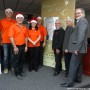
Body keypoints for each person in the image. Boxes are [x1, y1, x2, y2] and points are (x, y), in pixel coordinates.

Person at [60, 8, 89, 87]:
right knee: (78, 64)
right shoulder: (80, 21)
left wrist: (77, 48)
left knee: (72, 66)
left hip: (77, 48)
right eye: (76, 13)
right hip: (78, 48)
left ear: (83, 13)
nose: (76, 14)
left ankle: (69, 83)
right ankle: (78, 79)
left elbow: (81, 36)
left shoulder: (82, 21)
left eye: (78, 13)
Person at [9, 14, 28, 80]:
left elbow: (26, 37)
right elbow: (11, 37)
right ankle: (17, 73)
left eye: (21, 18)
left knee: (22, 60)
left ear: (23, 20)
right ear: (16, 19)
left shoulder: (24, 27)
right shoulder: (13, 26)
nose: (20, 19)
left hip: (23, 46)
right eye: (18, 18)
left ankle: (21, 71)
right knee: (16, 60)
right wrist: (14, 47)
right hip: (16, 46)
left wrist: (26, 46)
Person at [0, 8, 16, 74]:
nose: (8, 13)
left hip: (13, 42)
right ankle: (6, 68)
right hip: (5, 41)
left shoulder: (14, 22)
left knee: (12, 55)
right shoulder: (1, 21)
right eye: (7, 12)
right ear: (5, 13)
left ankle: (12, 66)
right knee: (6, 56)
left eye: (10, 12)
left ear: (12, 14)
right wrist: (0, 40)